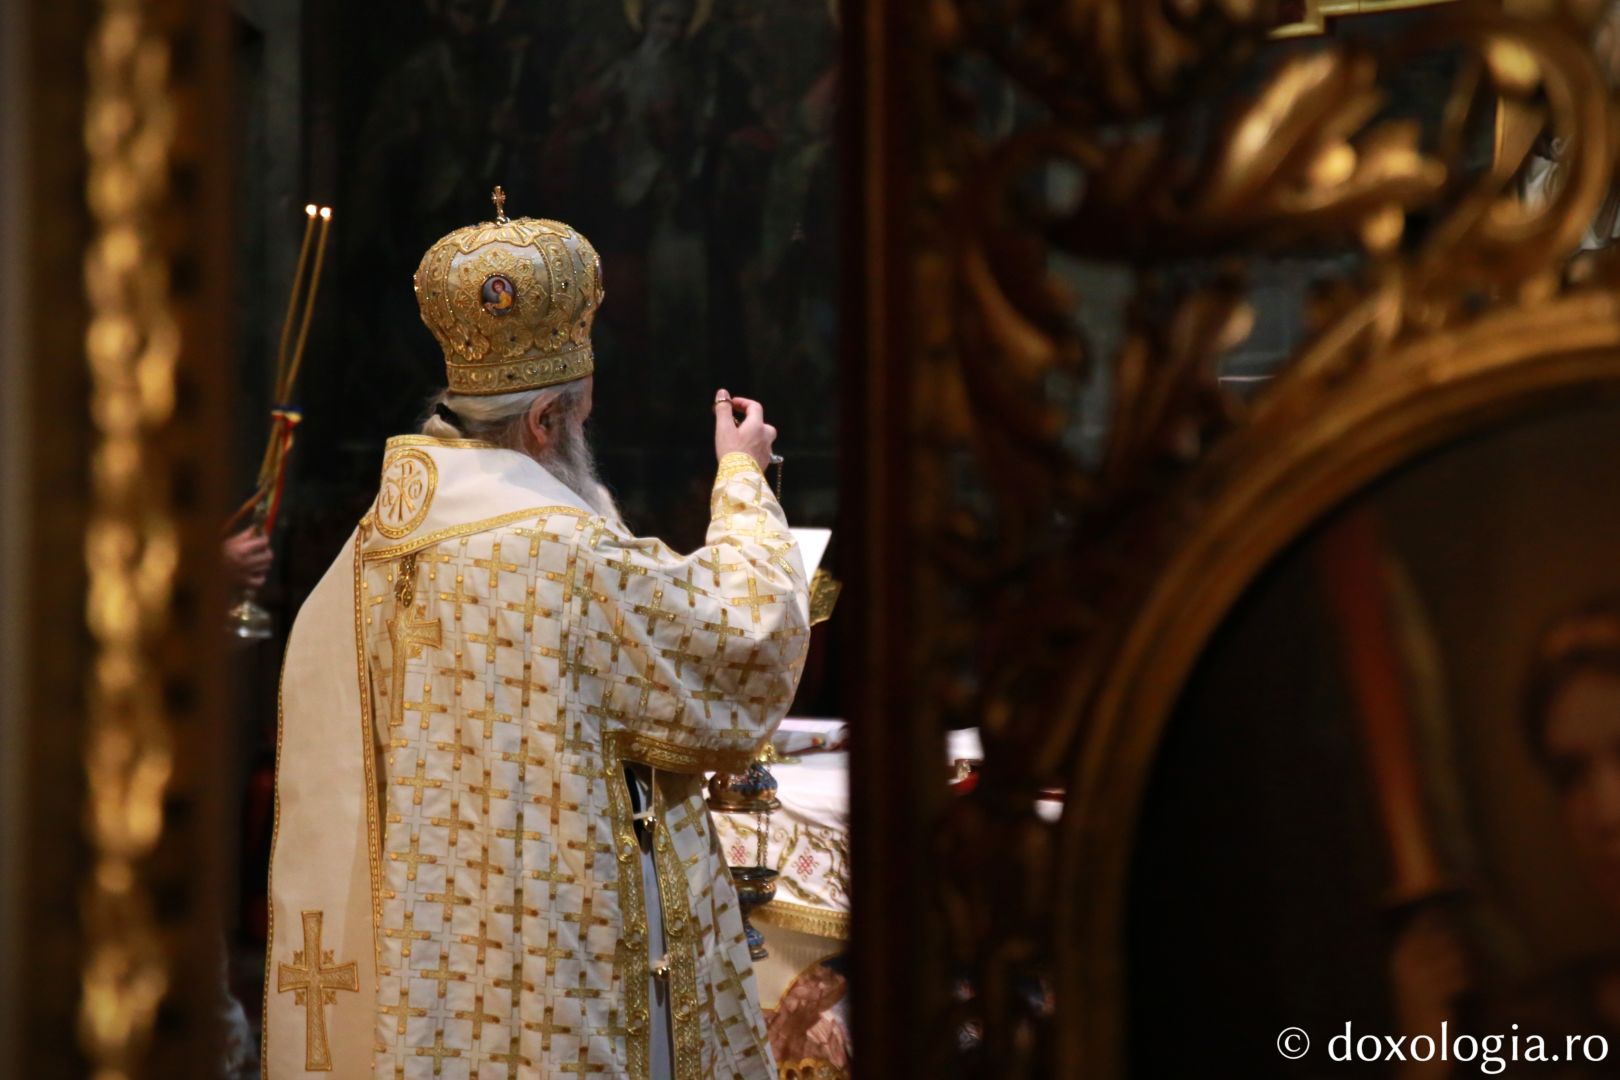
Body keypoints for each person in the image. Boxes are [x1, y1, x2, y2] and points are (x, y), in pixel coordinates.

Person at [263, 200, 811, 1078]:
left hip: (439, 938)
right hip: (572, 932)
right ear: (545, 423)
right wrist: (742, 478)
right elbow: (740, 638)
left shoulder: (380, 540)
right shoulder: (565, 552)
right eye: (579, 416)